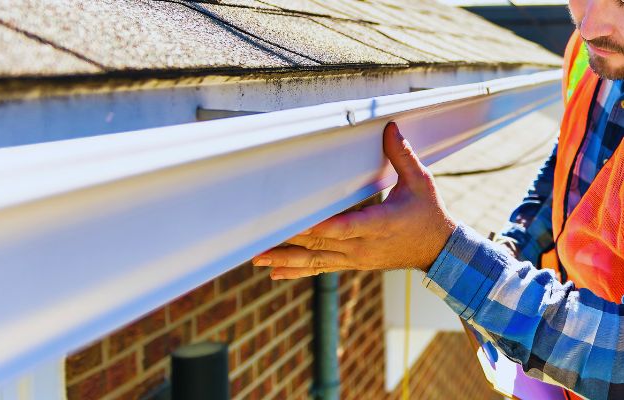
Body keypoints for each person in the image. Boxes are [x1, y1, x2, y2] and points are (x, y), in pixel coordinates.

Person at [252, 1, 624, 399]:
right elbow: (571, 160)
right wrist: (512, 248)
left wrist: (446, 254)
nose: (588, 26)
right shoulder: (597, 53)